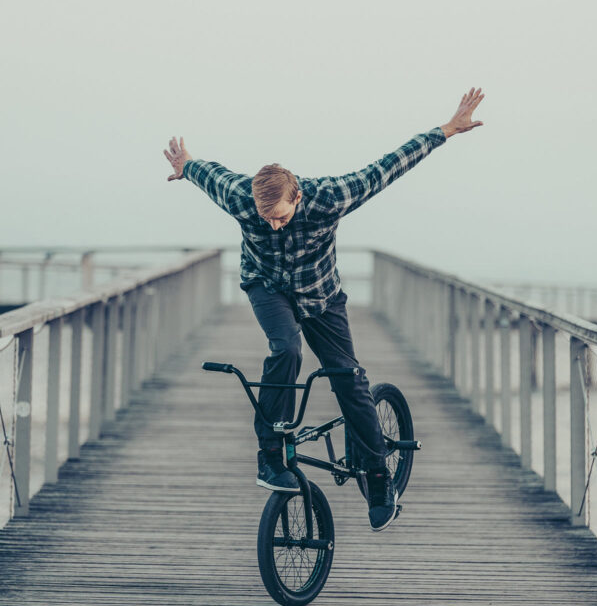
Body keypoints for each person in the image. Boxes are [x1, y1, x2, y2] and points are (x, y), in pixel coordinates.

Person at [164, 88, 485, 531]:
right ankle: (270, 454)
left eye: (279, 216)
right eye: (265, 219)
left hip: (320, 295)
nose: (272, 224)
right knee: (286, 349)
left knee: (348, 378)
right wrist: (185, 167)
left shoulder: (330, 197)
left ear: (296, 197)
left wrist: (447, 129)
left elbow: (386, 168)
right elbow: (207, 173)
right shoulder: (244, 199)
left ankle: (378, 479)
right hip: (267, 287)